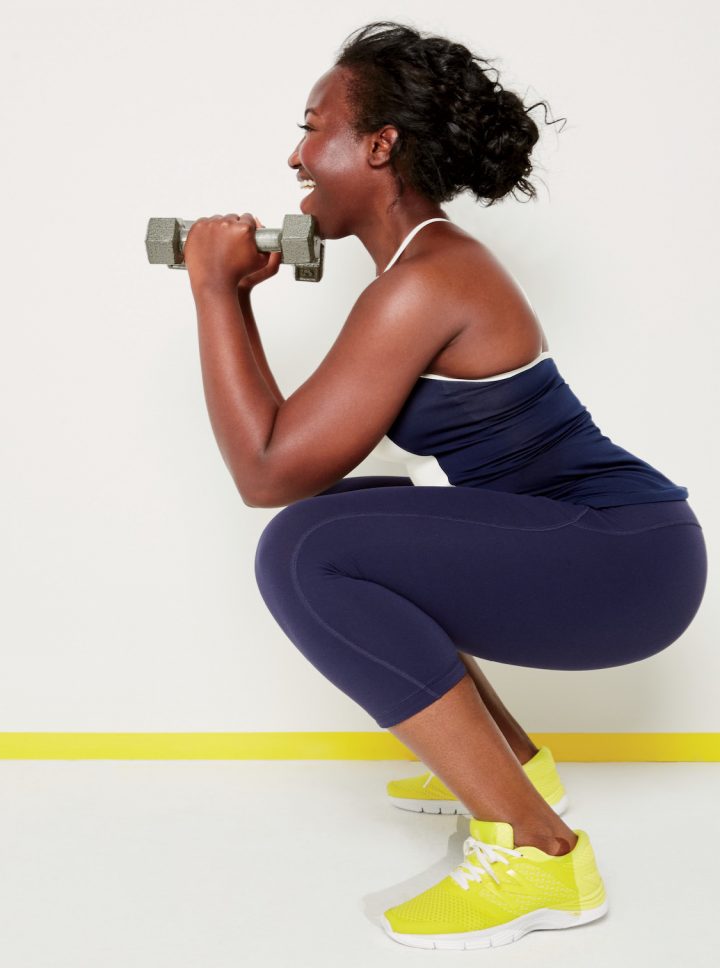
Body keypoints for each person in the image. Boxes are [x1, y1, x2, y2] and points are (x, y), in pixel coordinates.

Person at [183, 20, 708, 952]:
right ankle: (514, 770)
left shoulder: (426, 282)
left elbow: (262, 474)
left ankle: (539, 854)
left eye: (313, 127)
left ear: (379, 145)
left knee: (303, 549)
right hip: (620, 544)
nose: (295, 156)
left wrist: (214, 294)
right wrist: (236, 300)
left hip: (626, 560)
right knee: (336, 514)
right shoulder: (420, 271)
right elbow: (287, 455)